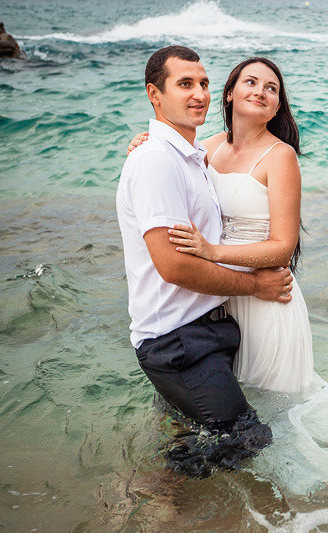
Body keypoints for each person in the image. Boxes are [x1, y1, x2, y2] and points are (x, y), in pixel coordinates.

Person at [116, 46, 294, 472]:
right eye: (184, 84)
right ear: (154, 95)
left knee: (194, 429)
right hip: (178, 339)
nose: (199, 93)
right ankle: (153, 492)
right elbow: (174, 266)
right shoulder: (160, 159)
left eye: (203, 83)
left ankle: (167, 492)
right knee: (246, 440)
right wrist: (255, 284)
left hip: (208, 325)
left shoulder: (192, 155)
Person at [129, 57, 315, 395]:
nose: (261, 91)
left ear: (276, 108)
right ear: (229, 94)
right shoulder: (207, 147)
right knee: (216, 401)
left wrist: (213, 251)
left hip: (264, 293)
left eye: (271, 89)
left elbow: (283, 247)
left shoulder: (280, 156)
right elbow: (169, 167)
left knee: (273, 403)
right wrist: (145, 143)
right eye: (251, 82)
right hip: (220, 296)